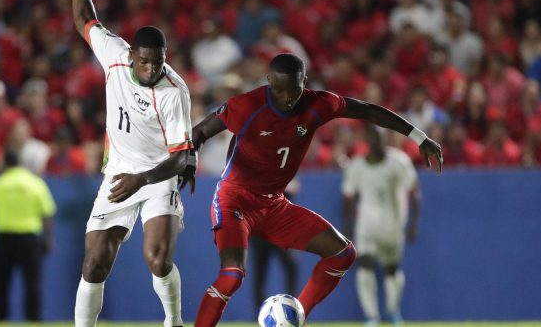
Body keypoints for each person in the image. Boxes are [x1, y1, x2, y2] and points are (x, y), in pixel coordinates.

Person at [179, 54, 442, 326]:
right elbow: (199, 132)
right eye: (278, 89)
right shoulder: (247, 105)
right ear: (269, 81)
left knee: (343, 253)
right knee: (233, 274)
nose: (286, 98)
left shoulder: (318, 104)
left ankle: (295, 317)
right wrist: (188, 161)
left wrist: (418, 137)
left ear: (304, 82)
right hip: (235, 201)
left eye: (293, 90)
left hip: (274, 206)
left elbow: (366, 110)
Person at [72, 0, 194, 326]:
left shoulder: (174, 92)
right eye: (144, 62)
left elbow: (180, 156)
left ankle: (174, 321)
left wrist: (144, 179)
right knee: (94, 263)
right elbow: (82, 16)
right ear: (131, 56)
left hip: (157, 176)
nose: (151, 69)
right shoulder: (114, 55)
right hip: (119, 175)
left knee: (157, 259)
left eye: (158, 62)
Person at [342, 125, 421, 327]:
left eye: (380, 138)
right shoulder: (357, 166)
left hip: (392, 225)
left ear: (385, 139)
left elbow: (415, 192)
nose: (377, 142)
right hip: (366, 224)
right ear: (367, 141)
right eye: (373, 138)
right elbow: (348, 197)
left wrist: (413, 223)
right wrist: (348, 227)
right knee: (365, 265)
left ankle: (393, 311)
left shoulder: (399, 162)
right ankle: (371, 316)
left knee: (391, 270)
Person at [0, 151, 56, 321]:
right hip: (29, 239)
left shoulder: (1, 182)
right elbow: (47, 213)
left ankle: (0, 319)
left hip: (4, 239)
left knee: (0, 284)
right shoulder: (35, 183)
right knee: (32, 283)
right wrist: (48, 238)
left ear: (5, 164)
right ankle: (33, 319)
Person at [250, 178, 300, 311]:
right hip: (259, 231)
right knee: (260, 273)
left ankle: (292, 309)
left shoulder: (282, 169)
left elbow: (294, 187)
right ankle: (261, 313)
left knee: (291, 266)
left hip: (279, 230)